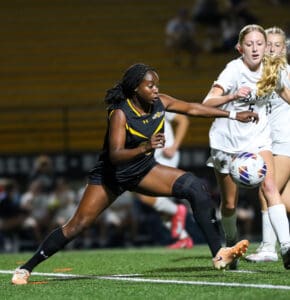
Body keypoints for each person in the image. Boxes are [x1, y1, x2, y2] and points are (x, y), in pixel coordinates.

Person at [11, 63, 257, 285]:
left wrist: (234, 114)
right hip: (111, 176)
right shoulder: (121, 113)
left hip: (143, 171)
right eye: (150, 85)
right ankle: (26, 268)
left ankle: (218, 253)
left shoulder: (161, 101)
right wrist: (146, 146)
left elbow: (193, 109)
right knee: (76, 226)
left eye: (156, 84)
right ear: (135, 89)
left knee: (195, 187)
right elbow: (116, 154)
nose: (155, 89)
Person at [202, 24, 290, 270]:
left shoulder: (273, 69)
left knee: (270, 187)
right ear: (240, 48)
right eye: (249, 44)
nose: (255, 49)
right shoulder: (233, 70)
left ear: (265, 46)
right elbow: (207, 102)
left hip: (257, 138)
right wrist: (232, 96)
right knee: (230, 203)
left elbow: (285, 92)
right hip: (227, 142)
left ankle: (286, 247)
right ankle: (230, 245)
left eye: (259, 44)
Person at [244, 26, 290, 262]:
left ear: (285, 49)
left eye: (277, 45)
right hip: (272, 140)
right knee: (284, 201)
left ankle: (269, 249)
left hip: (284, 141)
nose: (271, 48)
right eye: (268, 44)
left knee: (267, 189)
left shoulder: (285, 72)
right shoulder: (263, 72)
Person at [136, 112, 194, 249]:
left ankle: (177, 210)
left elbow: (183, 120)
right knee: (159, 203)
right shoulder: (132, 109)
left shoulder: (157, 103)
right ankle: (184, 238)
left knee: (143, 194)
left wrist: (174, 146)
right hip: (151, 158)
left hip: (165, 157)